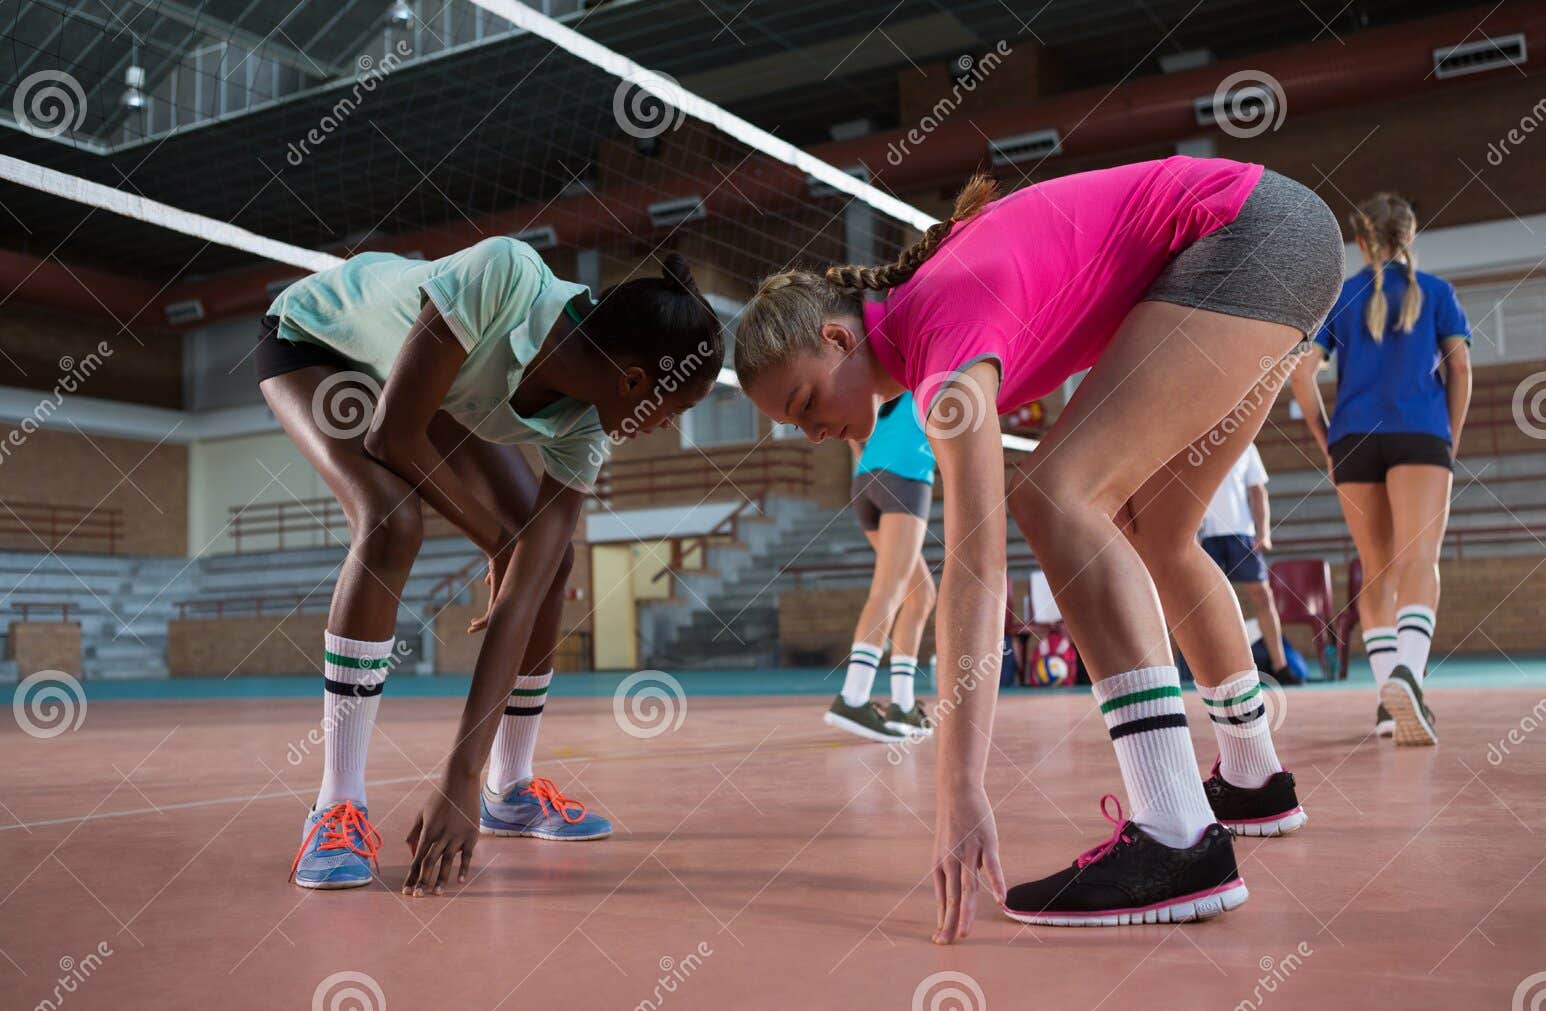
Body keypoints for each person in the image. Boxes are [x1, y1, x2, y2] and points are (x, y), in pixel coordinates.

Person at [735, 156, 1341, 941]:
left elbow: (976, 570)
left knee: (1055, 493)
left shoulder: (942, 343)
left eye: (805, 401)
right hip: (1279, 228)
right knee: (1159, 530)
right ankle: (1253, 776)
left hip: (1249, 234)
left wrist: (958, 787)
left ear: (837, 336)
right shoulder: (929, 320)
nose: (814, 431)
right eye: (796, 425)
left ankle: (1177, 835)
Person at [260, 238, 722, 894]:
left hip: (425, 383)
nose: (667, 426)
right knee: (392, 522)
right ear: (633, 382)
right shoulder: (503, 276)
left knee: (551, 558)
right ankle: (336, 804)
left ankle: (509, 787)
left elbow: (523, 592)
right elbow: (391, 436)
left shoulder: (586, 430)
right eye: (678, 410)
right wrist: (498, 540)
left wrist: (463, 775)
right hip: (321, 343)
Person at [1289, 192, 1472, 746]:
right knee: (1419, 561)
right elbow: (1461, 368)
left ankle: (1387, 706)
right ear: (1410, 236)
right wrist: (1448, 436)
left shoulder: (1342, 296)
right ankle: (1408, 677)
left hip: (1353, 439)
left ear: (1361, 240)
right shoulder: (1436, 292)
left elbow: (1301, 374)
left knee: (1376, 570)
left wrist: (1326, 439)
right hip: (1421, 433)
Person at [825, 392, 938, 741]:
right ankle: (853, 697)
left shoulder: (891, 388)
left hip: (866, 480)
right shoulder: (933, 380)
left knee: (920, 595)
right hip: (906, 475)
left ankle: (902, 705)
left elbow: (849, 429)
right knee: (889, 588)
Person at [1196, 442, 1302, 686]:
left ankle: (1280, 665)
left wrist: (1263, 532)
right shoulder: (1195, 442)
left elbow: (1258, 490)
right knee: (1204, 603)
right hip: (1206, 535)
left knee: (1262, 595)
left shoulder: (1245, 444)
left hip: (1242, 533)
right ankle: (1213, 669)